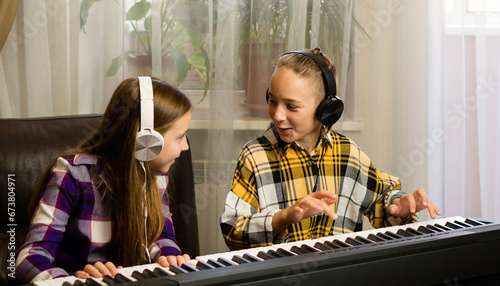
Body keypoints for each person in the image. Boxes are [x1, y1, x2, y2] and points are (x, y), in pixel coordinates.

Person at [220, 48, 441, 250]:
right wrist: (284, 217)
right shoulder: (254, 156)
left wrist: (398, 205)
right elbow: (233, 232)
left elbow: (382, 200)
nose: (278, 115)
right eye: (272, 100)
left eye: (291, 106)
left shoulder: (348, 155)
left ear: (327, 109)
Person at [15, 77, 193, 284]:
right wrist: (73, 281)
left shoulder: (152, 173)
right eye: (180, 137)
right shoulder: (72, 176)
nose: (186, 147)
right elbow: (29, 259)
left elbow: (159, 235)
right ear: (147, 140)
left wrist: (168, 256)